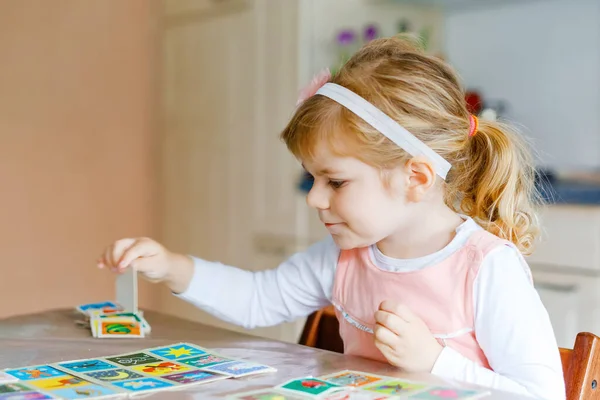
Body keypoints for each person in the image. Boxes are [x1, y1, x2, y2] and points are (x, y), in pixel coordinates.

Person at [98, 35, 565, 399]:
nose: (314, 199)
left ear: (416, 178)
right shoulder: (346, 256)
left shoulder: (486, 269)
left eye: (335, 182)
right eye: (312, 179)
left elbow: (541, 394)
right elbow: (258, 299)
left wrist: (435, 360)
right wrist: (171, 267)